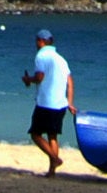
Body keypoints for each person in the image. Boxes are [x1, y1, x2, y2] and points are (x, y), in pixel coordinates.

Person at [22, 29, 73, 174]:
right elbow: (70, 82)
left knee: (35, 134)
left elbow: (39, 77)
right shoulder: (61, 59)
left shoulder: (41, 56)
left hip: (46, 103)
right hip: (60, 104)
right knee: (52, 136)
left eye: (36, 41)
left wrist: (28, 80)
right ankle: (52, 171)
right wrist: (70, 102)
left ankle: (54, 158)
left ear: (41, 41)